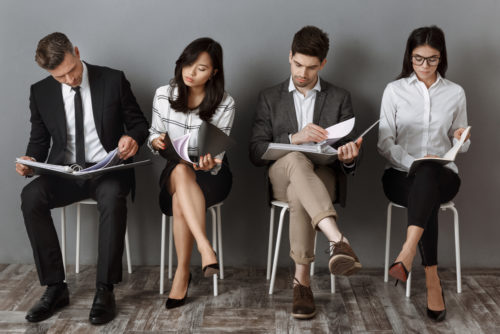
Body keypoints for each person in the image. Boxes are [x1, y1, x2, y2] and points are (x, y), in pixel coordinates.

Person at [16, 32, 149, 325]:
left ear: (76, 51)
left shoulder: (112, 80)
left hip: (108, 169)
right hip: (67, 172)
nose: (69, 80)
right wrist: (30, 161)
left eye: (72, 71)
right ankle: (55, 288)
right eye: (60, 77)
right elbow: (38, 141)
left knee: (113, 198)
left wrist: (132, 138)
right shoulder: (40, 92)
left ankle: (105, 290)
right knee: (31, 197)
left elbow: (140, 124)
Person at [249, 26, 363, 320]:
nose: (303, 72)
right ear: (290, 56)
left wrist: (349, 157)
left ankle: (302, 284)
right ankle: (338, 241)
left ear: (323, 64)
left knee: (299, 194)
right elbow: (255, 151)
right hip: (281, 172)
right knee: (297, 160)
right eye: (298, 64)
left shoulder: (340, 97)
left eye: (311, 67)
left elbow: (345, 159)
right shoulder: (269, 97)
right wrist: (293, 139)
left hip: (322, 175)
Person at [378, 26, 470, 322]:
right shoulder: (394, 91)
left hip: (444, 177)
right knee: (424, 178)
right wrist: (412, 162)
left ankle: (406, 252)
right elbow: (384, 142)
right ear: (410, 56)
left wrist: (459, 138)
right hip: (400, 176)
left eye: (432, 59)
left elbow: (463, 143)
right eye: (419, 59)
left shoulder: (455, 93)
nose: (425, 66)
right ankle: (432, 279)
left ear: (441, 58)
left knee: (430, 174)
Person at [148, 37, 235, 309]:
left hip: (211, 176)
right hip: (175, 169)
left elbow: (218, 154)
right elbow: (153, 133)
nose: (191, 72)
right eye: (188, 63)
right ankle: (205, 248)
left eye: (201, 68)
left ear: (214, 73)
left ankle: (182, 273)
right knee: (181, 171)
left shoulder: (225, 103)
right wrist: (155, 141)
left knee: (179, 197)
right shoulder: (164, 94)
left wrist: (210, 162)